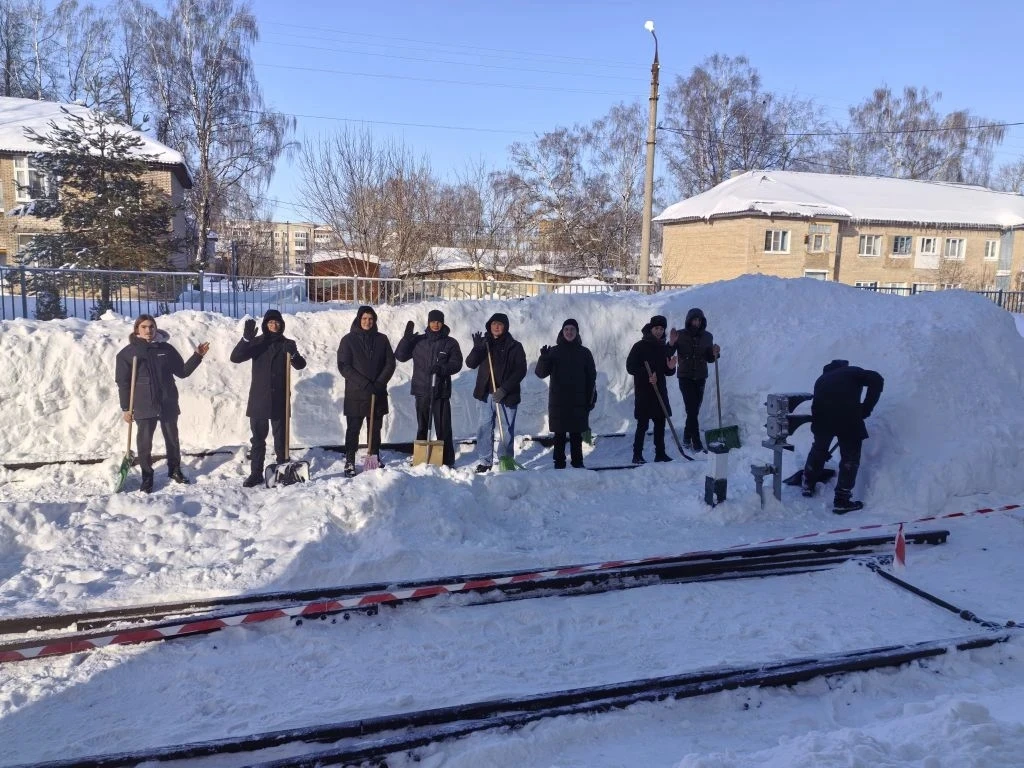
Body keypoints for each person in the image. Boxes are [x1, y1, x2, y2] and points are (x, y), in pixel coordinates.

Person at [116, 314, 209, 493]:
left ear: (156, 328)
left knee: (172, 439)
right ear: (137, 329)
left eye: (151, 326)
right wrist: (126, 408)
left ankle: (175, 470)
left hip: (167, 401)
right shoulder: (128, 353)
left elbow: (182, 372)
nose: (148, 330)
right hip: (144, 403)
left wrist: (197, 356)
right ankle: (147, 476)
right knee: (144, 443)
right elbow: (123, 383)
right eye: (144, 327)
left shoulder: (166, 349)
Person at [230, 309, 306, 488]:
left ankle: (283, 470)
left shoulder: (288, 343)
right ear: (265, 324)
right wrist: (246, 339)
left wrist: (294, 354)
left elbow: (300, 365)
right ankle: (256, 474)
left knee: (281, 439)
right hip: (259, 399)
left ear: (281, 324)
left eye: (277, 322)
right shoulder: (257, 343)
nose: (274, 325)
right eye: (270, 322)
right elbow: (235, 358)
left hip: (280, 399)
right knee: (258, 439)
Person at [801, 359, 884, 514]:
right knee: (850, 458)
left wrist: (819, 430)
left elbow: (816, 405)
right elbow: (877, 379)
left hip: (821, 419)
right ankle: (842, 500)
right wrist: (866, 408)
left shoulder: (821, 380)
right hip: (848, 418)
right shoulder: (852, 371)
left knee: (819, 449)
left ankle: (807, 484)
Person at [394, 308, 464, 468]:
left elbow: (457, 364)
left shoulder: (450, 343)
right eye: (433, 321)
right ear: (428, 322)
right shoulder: (418, 341)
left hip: (441, 392)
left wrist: (442, 368)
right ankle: (420, 458)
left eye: (438, 321)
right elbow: (400, 356)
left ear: (443, 323)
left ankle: (447, 460)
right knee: (422, 426)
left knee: (443, 428)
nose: (435, 324)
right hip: (421, 391)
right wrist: (406, 340)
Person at [337, 305, 396, 476]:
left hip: (377, 392)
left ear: (374, 320)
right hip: (356, 393)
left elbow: (390, 363)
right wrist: (365, 384)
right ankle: (350, 460)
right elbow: (344, 366)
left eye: (370, 319)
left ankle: (373, 458)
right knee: (353, 429)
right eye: (364, 318)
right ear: (358, 319)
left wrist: (379, 383)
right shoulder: (348, 340)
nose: (367, 322)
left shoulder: (382, 339)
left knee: (375, 429)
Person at [465, 312, 527, 473]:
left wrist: (504, 389)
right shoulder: (484, 344)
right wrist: (477, 348)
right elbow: (470, 363)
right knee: (484, 428)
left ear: (505, 327)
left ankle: (505, 459)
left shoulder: (515, 346)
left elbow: (520, 370)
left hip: (507, 395)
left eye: (500, 324)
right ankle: (485, 461)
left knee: (506, 429)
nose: (496, 327)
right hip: (485, 394)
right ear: (489, 326)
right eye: (493, 324)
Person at [534, 319, 597, 469]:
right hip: (559, 401)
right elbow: (541, 373)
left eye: (572, 329)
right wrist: (544, 358)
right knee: (559, 434)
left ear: (577, 332)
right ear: (562, 332)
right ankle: (559, 463)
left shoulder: (584, 353)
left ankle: (577, 462)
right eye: (566, 329)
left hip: (578, 400)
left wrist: (591, 398)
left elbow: (591, 377)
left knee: (576, 434)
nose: (569, 332)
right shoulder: (554, 352)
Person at [625, 315, 677, 464]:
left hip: (659, 390)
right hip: (644, 392)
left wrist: (670, 368)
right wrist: (646, 375)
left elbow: (666, 371)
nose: (659, 331)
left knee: (660, 422)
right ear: (651, 328)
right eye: (656, 328)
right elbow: (630, 367)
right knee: (643, 424)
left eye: (661, 329)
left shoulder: (663, 347)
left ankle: (660, 453)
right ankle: (637, 455)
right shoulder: (639, 346)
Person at [668, 307, 720, 452]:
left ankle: (686, 436)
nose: (697, 323)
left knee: (694, 410)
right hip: (685, 377)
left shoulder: (708, 336)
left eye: (699, 320)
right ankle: (696, 443)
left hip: (701, 377)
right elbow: (669, 352)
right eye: (694, 320)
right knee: (691, 409)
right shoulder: (680, 335)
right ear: (689, 320)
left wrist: (714, 353)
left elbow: (709, 358)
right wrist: (671, 343)